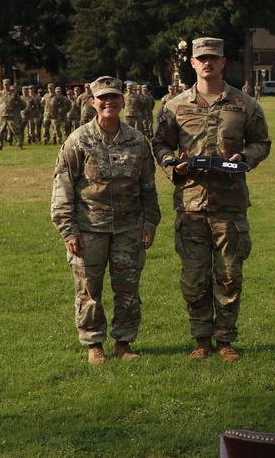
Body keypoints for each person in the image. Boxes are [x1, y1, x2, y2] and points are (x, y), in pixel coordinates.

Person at [152, 37, 271, 363]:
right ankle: (201, 339)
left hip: (230, 205)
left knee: (230, 276)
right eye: (201, 58)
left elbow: (262, 142)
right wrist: (171, 164)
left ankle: (225, 340)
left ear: (223, 62)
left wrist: (245, 156)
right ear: (193, 63)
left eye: (213, 58)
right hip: (190, 204)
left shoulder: (244, 104)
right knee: (193, 277)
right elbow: (160, 144)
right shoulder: (175, 106)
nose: (208, 63)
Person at [51, 76, 160, 365]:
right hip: (89, 229)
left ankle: (123, 342)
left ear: (123, 101)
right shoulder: (78, 140)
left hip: (129, 228)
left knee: (127, 288)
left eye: (114, 97)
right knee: (89, 289)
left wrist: (150, 223)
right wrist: (68, 229)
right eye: (103, 98)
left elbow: (148, 186)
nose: (109, 102)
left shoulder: (137, 140)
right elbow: (62, 187)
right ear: (93, 102)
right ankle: (94, 343)